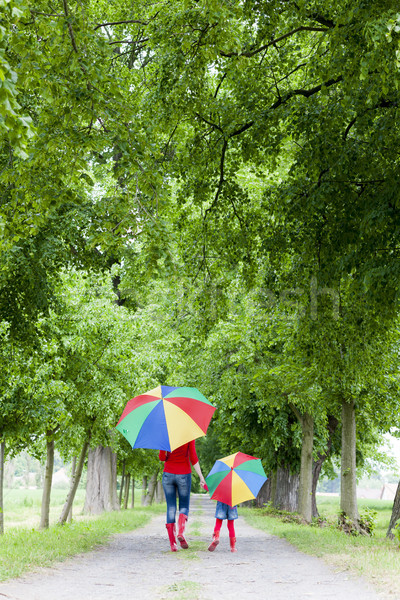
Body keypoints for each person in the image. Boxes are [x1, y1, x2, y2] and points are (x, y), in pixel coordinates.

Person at [159, 440, 206, 552]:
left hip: (168, 474)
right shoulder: (189, 434)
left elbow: (161, 457)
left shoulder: (166, 435)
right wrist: (201, 476)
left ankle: (173, 545)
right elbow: (193, 457)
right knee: (184, 505)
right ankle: (180, 532)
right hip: (184, 474)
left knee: (171, 507)